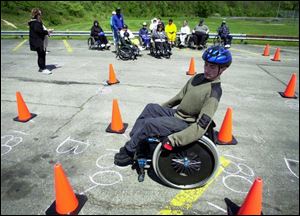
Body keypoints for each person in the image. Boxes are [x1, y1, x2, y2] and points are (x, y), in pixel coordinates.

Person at [114, 45, 232, 166]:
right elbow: (178, 97)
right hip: (178, 114)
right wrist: (160, 111)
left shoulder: (214, 91)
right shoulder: (197, 78)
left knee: (150, 124)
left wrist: (174, 140)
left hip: (187, 123)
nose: (207, 69)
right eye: (206, 64)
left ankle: (129, 152)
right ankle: (137, 142)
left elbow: (201, 126)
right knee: (150, 108)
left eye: (212, 67)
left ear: (223, 69)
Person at [28, 8, 52, 74]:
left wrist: (47, 31)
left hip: (38, 41)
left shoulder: (35, 22)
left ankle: (42, 67)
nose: (41, 15)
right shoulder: (35, 23)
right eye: (40, 14)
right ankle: (42, 68)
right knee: (41, 54)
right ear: (37, 15)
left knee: (42, 54)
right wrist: (48, 31)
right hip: (37, 41)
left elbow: (39, 31)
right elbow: (40, 31)